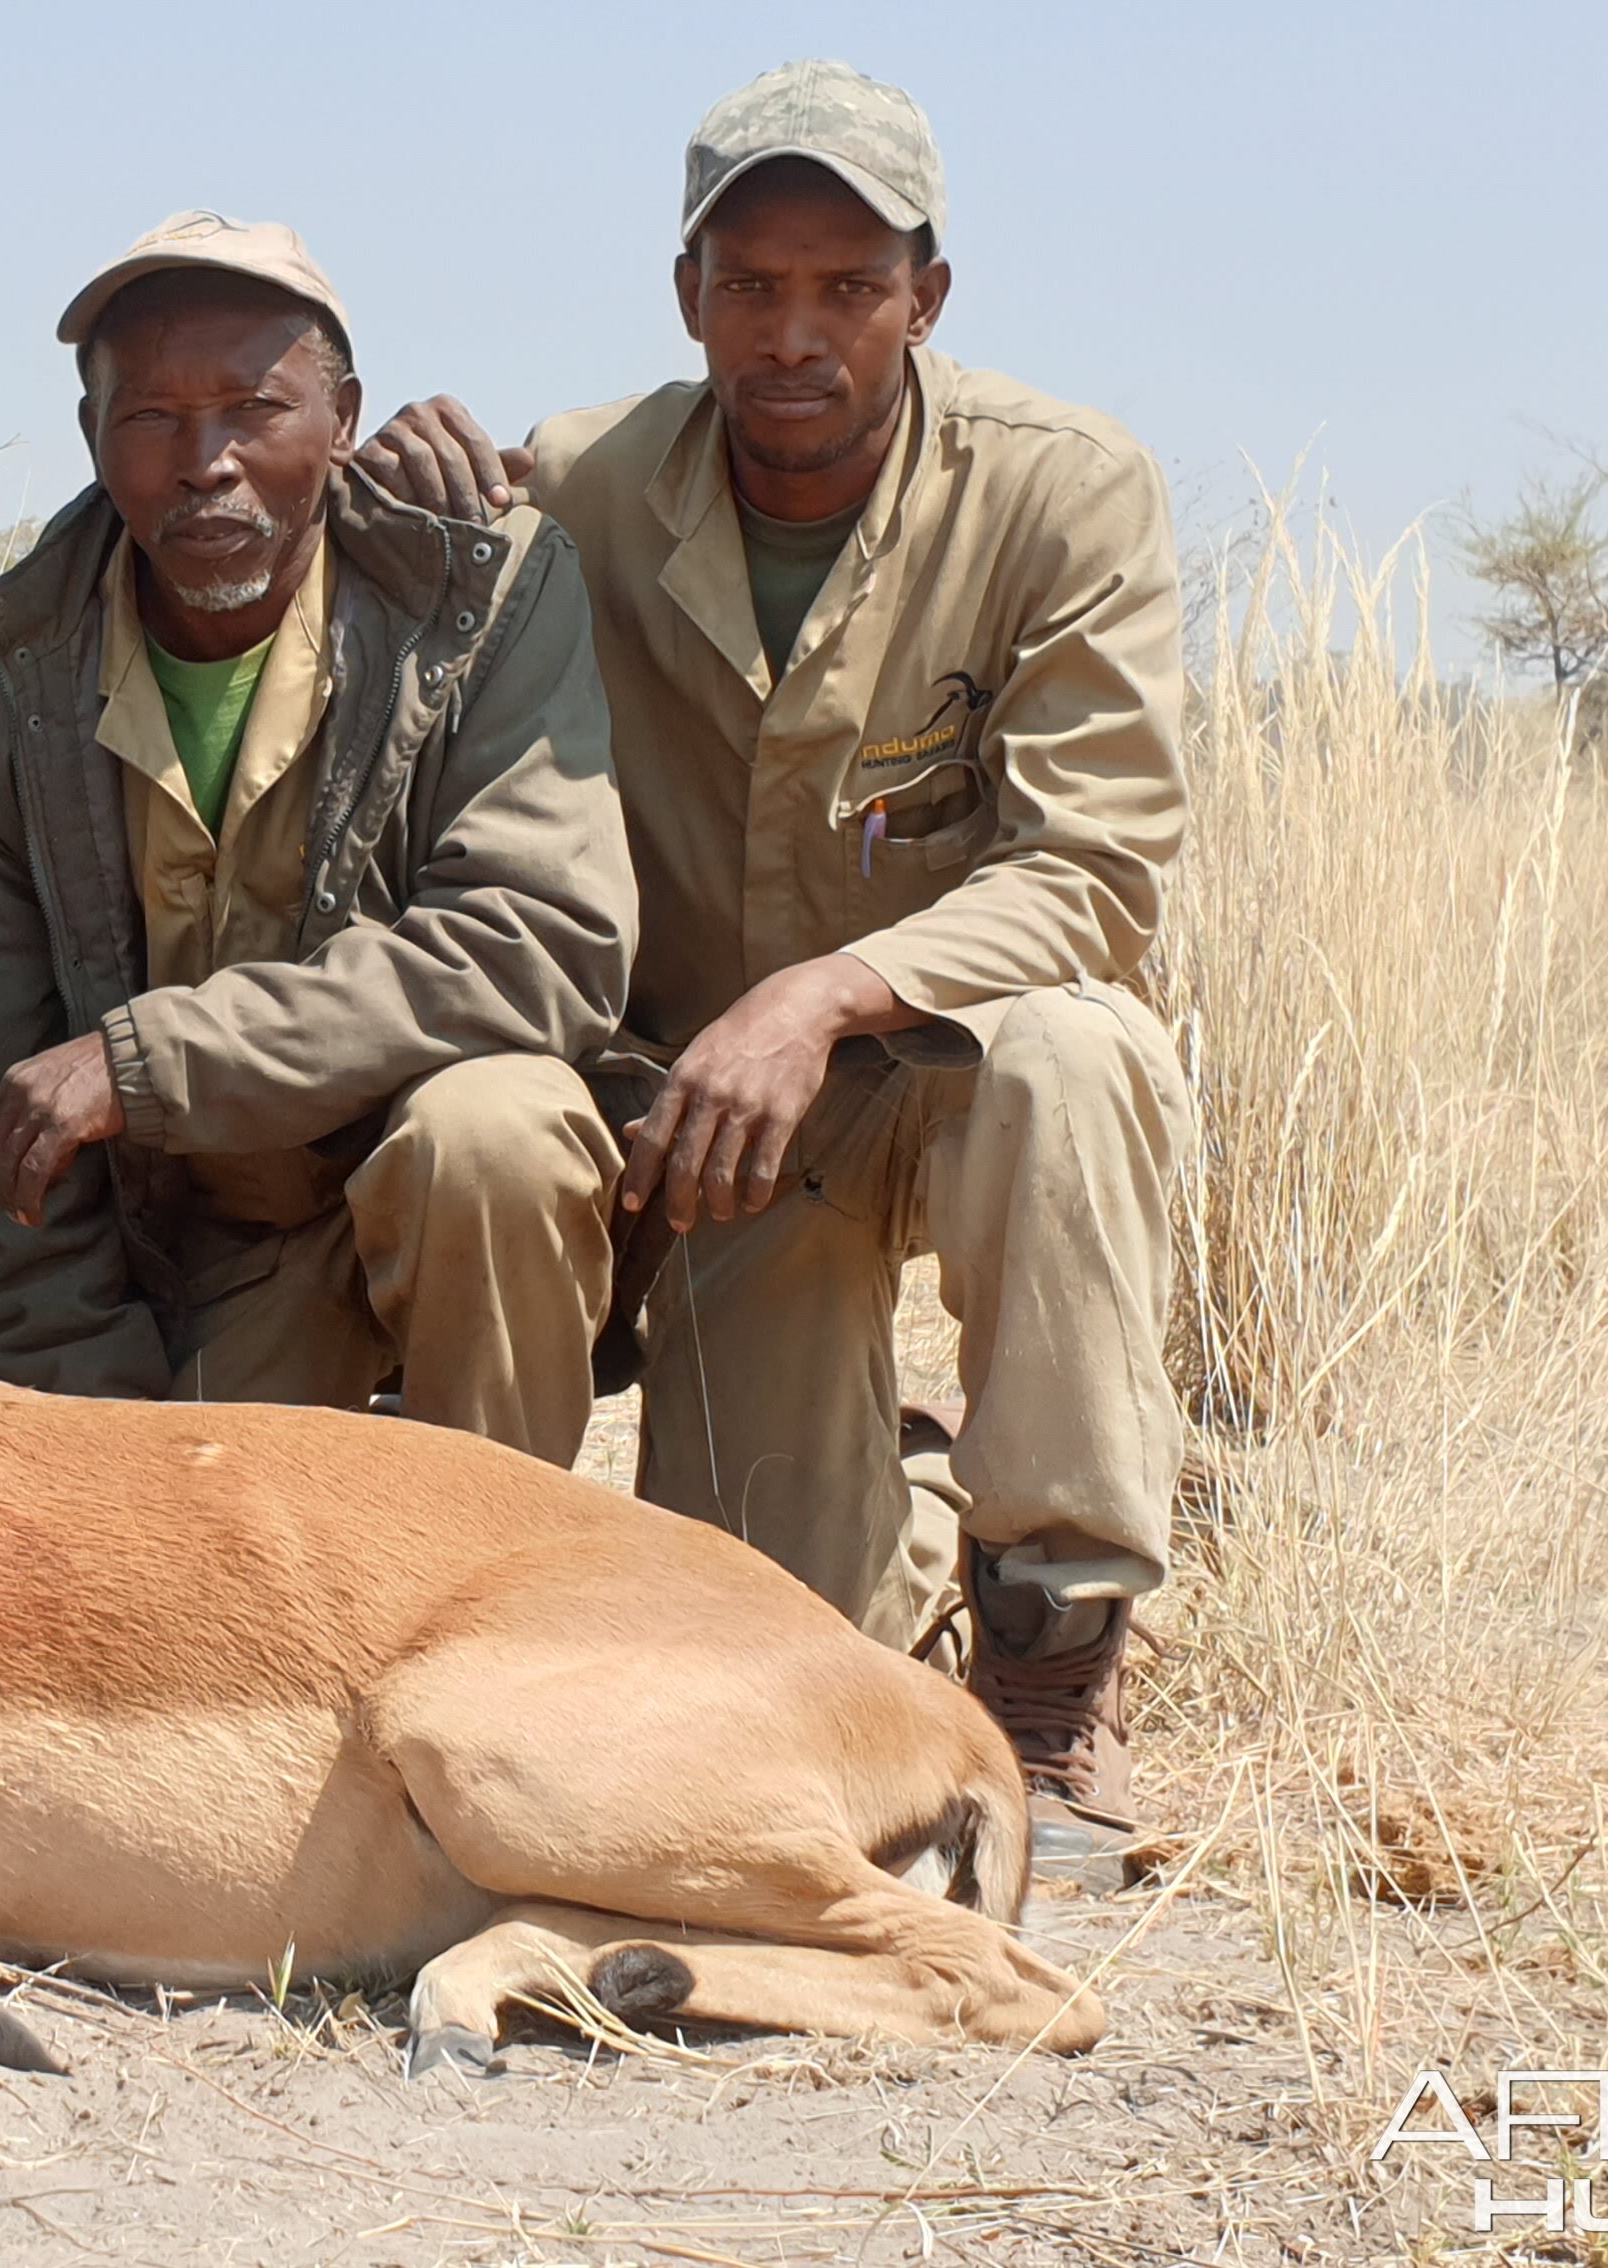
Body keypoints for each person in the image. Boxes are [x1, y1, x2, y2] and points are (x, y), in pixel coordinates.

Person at [355, 63, 1196, 1872]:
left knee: (1080, 1055)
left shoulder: (1063, 492)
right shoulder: (584, 477)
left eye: (846, 286)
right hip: (715, 1141)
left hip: (931, 1072)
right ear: (689, 297)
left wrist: (821, 993)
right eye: (751, 284)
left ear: (927, 299)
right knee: (759, 1658)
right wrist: (392, 475)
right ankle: (884, 1518)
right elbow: (415, 598)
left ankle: (1052, 1668)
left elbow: (1098, 865)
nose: (793, 333)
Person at [0, 215, 633, 1465]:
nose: (207, 463)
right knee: (174, 1610)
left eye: (256, 407)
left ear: (344, 419)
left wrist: (145, 1062)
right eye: (151, 419)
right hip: (197, 1272)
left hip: (429, 1208)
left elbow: (540, 949)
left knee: (496, 1131)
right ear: (92, 437)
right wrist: (120, 1461)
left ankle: (491, 1599)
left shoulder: (479, 592)